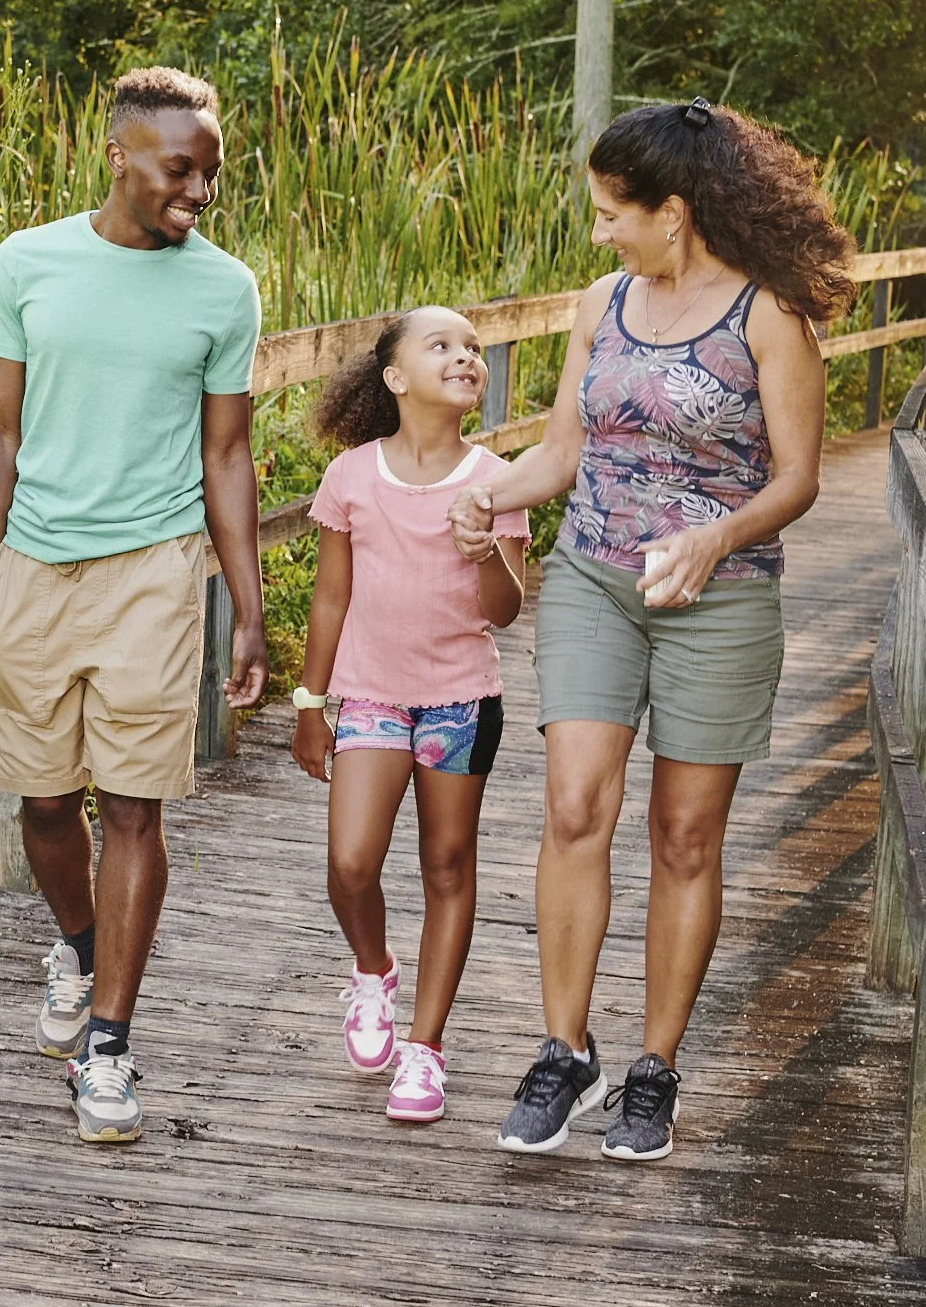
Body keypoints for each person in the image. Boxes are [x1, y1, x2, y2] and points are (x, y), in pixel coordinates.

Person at [450, 97, 853, 1162]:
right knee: (574, 804)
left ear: (672, 211)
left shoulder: (768, 315)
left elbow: (800, 478)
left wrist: (715, 538)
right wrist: (485, 493)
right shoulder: (604, 303)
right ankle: (563, 1051)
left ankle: (654, 1070)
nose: (599, 234)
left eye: (609, 213)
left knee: (683, 835)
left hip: (721, 598)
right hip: (594, 579)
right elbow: (560, 453)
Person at [0, 65, 269, 1145]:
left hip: (155, 569)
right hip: (34, 569)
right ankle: (84, 943)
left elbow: (226, 453)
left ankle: (107, 1045)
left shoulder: (224, 289)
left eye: (211, 173)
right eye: (180, 170)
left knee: (136, 806)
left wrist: (248, 602)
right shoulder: (27, 261)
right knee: (46, 801)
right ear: (119, 157)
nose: (200, 191)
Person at [290, 306, 529, 1124]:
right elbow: (330, 598)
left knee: (447, 866)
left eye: (474, 348)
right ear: (394, 377)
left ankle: (425, 1049)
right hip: (371, 695)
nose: (466, 356)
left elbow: (505, 610)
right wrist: (310, 704)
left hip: (463, 699)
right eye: (442, 346)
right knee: (351, 862)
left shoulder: (498, 480)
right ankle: (374, 969)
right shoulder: (352, 476)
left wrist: (484, 549)